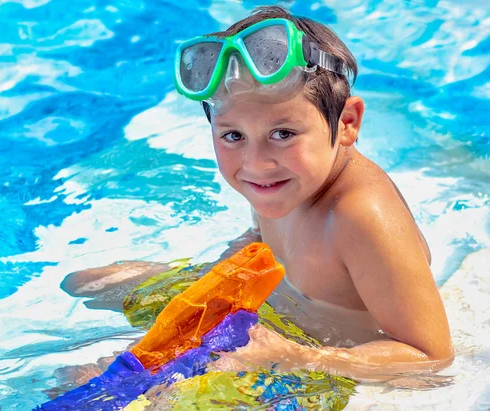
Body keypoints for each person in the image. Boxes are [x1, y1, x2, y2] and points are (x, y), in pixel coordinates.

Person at [63, 6, 453, 382]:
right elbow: (258, 240)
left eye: (283, 134)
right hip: (277, 311)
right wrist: (208, 285)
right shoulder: (286, 182)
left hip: (323, 349)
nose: (255, 163)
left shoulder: (361, 216)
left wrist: (301, 358)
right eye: (233, 136)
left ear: (347, 123)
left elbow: (431, 356)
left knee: (109, 384)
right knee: (84, 283)